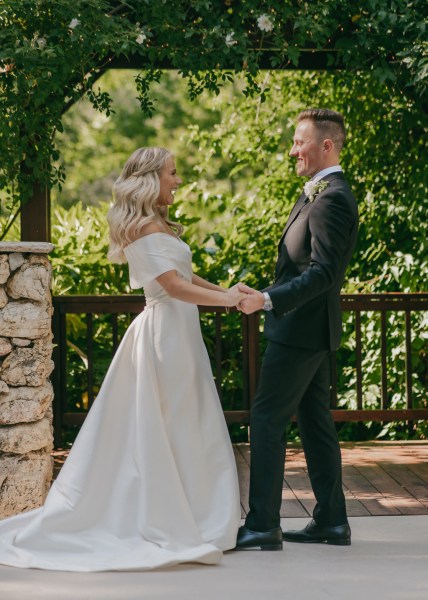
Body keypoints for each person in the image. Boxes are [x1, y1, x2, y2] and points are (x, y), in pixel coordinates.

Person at [0, 147, 246, 571]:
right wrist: (228, 301)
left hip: (180, 333)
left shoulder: (158, 225)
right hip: (164, 336)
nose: (178, 181)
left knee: (187, 421)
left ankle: (200, 515)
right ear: (151, 178)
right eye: (173, 173)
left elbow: (186, 277)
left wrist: (228, 291)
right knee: (171, 422)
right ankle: (177, 517)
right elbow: (172, 286)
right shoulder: (143, 228)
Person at [235, 109, 359, 550]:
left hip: (299, 333)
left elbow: (324, 273)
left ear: (326, 146)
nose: (292, 150)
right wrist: (265, 291)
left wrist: (268, 301)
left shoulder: (332, 198)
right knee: (314, 424)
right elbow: (301, 268)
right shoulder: (318, 194)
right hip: (307, 330)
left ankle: (263, 524)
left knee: (266, 420)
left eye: (299, 142)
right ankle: (332, 521)